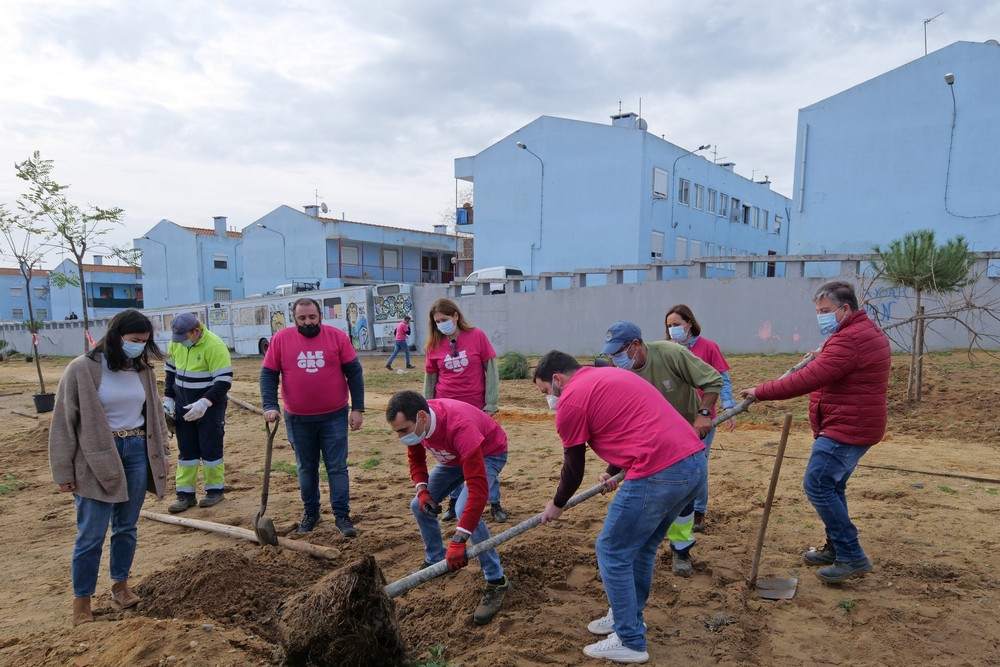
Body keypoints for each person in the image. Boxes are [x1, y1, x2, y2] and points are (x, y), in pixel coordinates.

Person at [535, 351, 705, 664]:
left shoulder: (570, 400)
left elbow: (573, 466)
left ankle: (629, 639)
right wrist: (614, 469)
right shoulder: (611, 376)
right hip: (692, 464)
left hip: (660, 471)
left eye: (546, 391)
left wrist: (557, 503)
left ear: (557, 379)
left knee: (611, 550)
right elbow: (635, 422)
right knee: (639, 549)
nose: (549, 398)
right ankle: (625, 617)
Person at [740, 280, 890, 583]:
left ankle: (851, 555)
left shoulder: (850, 340)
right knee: (832, 487)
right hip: (853, 423)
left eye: (825, 311)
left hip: (846, 429)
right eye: (818, 311)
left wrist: (761, 391)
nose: (820, 316)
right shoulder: (857, 333)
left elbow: (806, 380)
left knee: (818, 485)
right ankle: (837, 548)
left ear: (845, 309)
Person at [48, 309, 171, 626]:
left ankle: (120, 585)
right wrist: (64, 471)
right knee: (91, 534)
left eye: (144, 342)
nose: (139, 347)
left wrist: (162, 452)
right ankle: (82, 602)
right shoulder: (82, 370)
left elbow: (154, 414)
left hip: (137, 451)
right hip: (97, 455)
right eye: (134, 341)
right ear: (116, 336)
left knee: (127, 527)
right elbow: (64, 422)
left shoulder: (141, 370)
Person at [600, 320, 723, 577]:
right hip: (649, 440)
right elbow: (624, 422)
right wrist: (613, 468)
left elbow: (712, 379)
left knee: (684, 494)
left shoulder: (672, 354)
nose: (614, 359)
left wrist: (703, 414)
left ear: (635, 345)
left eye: (618, 353)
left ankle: (681, 549)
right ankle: (636, 551)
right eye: (610, 355)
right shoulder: (620, 371)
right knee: (647, 495)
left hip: (686, 435)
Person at [386, 390, 510, 625]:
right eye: (397, 431)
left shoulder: (459, 426)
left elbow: (478, 490)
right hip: (453, 459)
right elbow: (416, 458)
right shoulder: (418, 423)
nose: (401, 437)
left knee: (464, 509)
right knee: (417, 505)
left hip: (488, 453)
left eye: (403, 430)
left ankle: (497, 580)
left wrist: (459, 539)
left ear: (422, 417)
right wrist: (422, 492)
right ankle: (435, 560)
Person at [260, 297, 365, 536]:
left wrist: (357, 408)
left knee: (337, 468)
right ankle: (311, 513)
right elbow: (268, 375)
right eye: (302, 318)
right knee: (306, 468)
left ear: (320, 316)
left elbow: (354, 373)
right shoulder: (280, 340)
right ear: (294, 319)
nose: (308, 322)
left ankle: (342, 516)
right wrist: (269, 404)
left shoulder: (337, 337)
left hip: (334, 417)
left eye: (312, 317)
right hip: (297, 419)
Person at [423, 298, 507, 523]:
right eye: (437, 321)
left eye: (445, 319)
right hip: (445, 413)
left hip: (475, 410)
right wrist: (426, 408)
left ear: (456, 316)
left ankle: (494, 501)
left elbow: (491, 370)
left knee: (484, 455)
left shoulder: (476, 336)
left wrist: (491, 404)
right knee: (452, 458)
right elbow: (430, 379)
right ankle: (453, 500)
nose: (442, 324)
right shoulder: (433, 345)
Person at [665, 304, 737, 533]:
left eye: (676, 325)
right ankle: (676, 510)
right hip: (674, 418)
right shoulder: (667, 349)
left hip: (702, 419)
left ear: (689, 324)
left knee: (697, 465)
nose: (673, 330)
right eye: (669, 326)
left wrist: (728, 406)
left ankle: (698, 512)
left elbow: (722, 379)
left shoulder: (708, 348)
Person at [163, 313, 232, 513]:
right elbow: (170, 372)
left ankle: (215, 491)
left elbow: (223, 382)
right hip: (182, 402)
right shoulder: (177, 343)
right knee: (186, 450)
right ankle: (185, 496)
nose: (180, 342)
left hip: (210, 405)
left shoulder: (214, 346)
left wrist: (205, 402)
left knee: (210, 448)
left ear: (196, 331)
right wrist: (168, 398)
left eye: (185, 337)